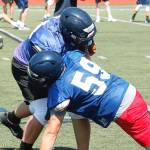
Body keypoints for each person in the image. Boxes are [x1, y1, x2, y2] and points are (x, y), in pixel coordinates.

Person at [0, 7, 96, 150]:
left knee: (78, 109)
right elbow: (56, 71)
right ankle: (24, 147)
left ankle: (11, 118)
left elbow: (86, 50)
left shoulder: (72, 25)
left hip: (52, 62)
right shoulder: (47, 42)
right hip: (30, 66)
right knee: (43, 109)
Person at [38, 49, 150, 150]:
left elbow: (51, 133)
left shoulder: (61, 91)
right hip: (121, 87)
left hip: (126, 108)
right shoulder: (72, 56)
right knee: (76, 111)